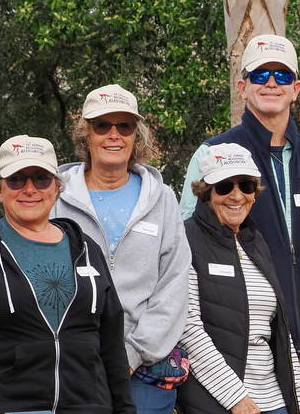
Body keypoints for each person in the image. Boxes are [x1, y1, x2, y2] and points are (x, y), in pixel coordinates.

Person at [180, 34, 300, 414]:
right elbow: (187, 247)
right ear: (242, 87)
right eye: (260, 74)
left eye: (281, 75)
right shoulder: (213, 155)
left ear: (296, 89)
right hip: (230, 351)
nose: (271, 83)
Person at [0, 135, 135, 414]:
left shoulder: (86, 248)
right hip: (6, 407)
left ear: (56, 187)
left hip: (88, 407)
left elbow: (112, 348)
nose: (29, 189)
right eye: (17, 179)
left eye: (41, 179)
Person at [50, 84, 191, 414]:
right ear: (86, 133)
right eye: (102, 125)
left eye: (124, 126)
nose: (113, 135)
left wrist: (132, 353)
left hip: (143, 370)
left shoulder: (162, 199)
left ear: (135, 134)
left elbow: (174, 284)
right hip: (70, 364)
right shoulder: (53, 194)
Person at [176, 143, 300, 414]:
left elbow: (279, 333)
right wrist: (238, 400)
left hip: (274, 399)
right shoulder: (186, 239)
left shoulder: (256, 241)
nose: (236, 196)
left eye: (246, 186)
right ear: (206, 192)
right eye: (224, 186)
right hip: (219, 400)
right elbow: (187, 328)